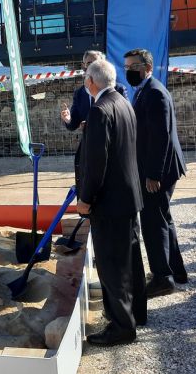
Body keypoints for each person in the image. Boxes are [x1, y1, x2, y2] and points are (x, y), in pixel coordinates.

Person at [77, 60, 146, 346]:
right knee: (131, 259)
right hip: (129, 197)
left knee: (112, 265)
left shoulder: (99, 111)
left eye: (85, 77)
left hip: (109, 202)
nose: (84, 82)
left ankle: (122, 327)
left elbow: (96, 164)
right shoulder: (123, 102)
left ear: (92, 82)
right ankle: (136, 313)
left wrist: (86, 199)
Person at [124, 48, 188, 297]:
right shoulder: (145, 91)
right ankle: (176, 271)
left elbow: (161, 138)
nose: (128, 71)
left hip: (159, 171)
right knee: (163, 218)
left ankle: (162, 278)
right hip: (160, 168)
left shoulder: (154, 93)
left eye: (133, 67)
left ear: (147, 68)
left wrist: (153, 175)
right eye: (126, 66)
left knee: (153, 222)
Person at [61, 50, 128, 131]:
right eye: (89, 63)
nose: (93, 66)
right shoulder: (79, 94)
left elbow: (126, 119)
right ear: (83, 66)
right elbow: (73, 125)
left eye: (96, 63)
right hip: (91, 142)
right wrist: (68, 120)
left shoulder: (118, 89)